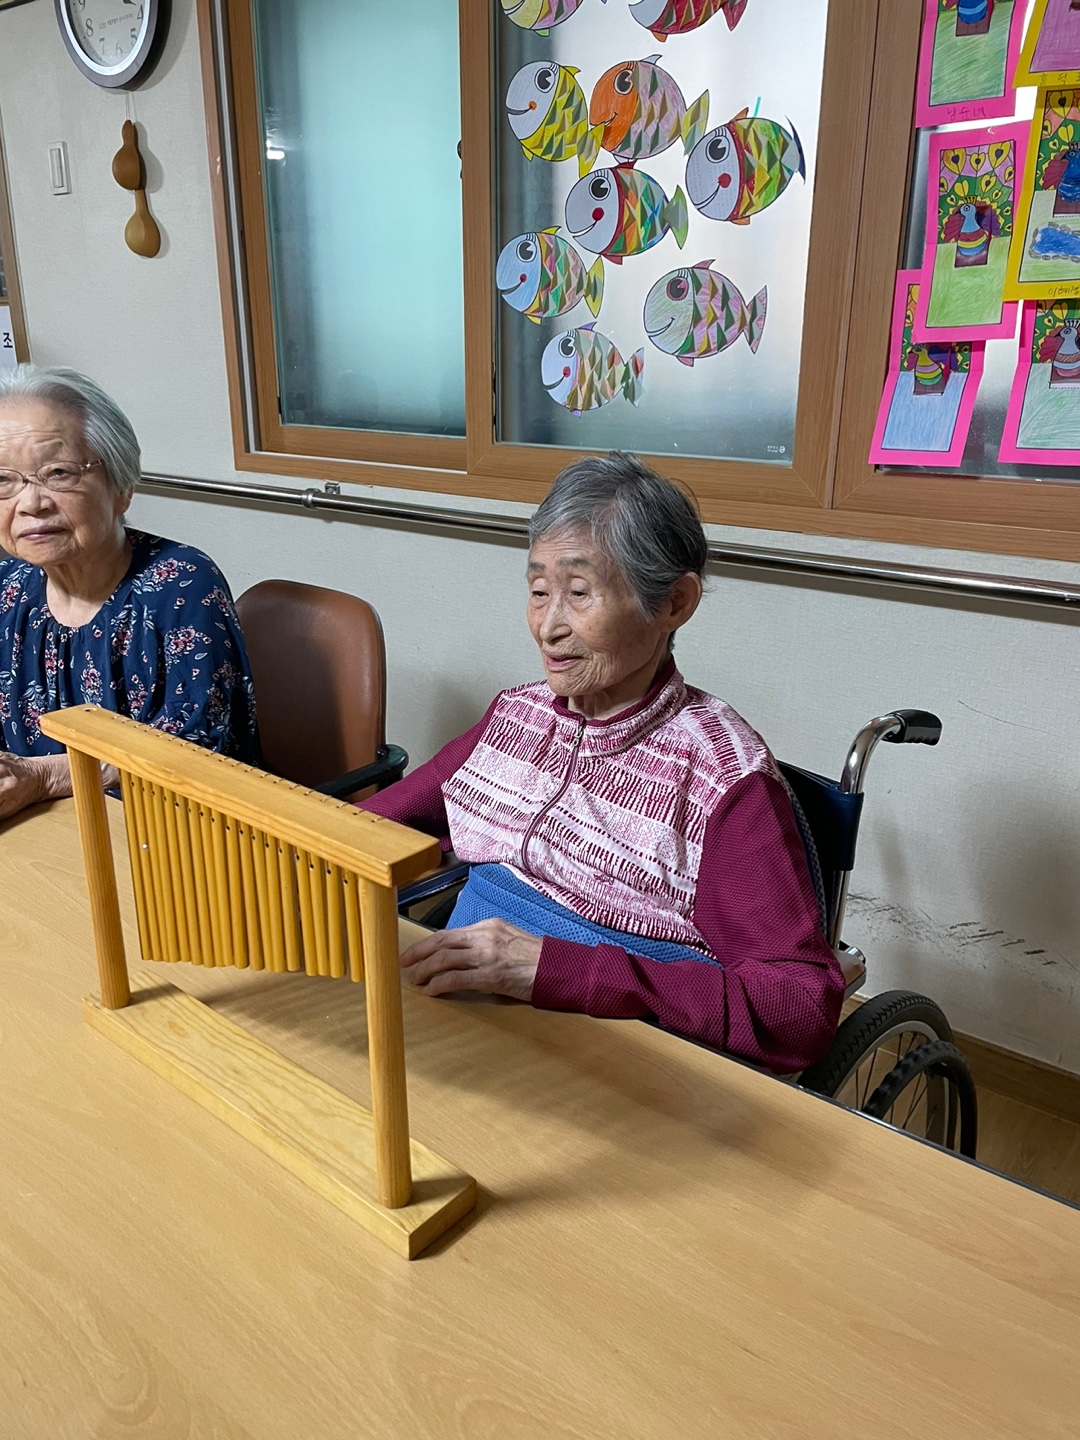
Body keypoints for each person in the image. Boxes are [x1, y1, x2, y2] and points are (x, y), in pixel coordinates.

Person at [363, 453, 844, 1073]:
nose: (548, 628)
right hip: (461, 1016)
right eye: (539, 592)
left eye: (579, 594)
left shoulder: (723, 778)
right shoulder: (517, 716)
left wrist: (554, 966)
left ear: (673, 603)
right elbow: (376, 824)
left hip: (613, 1062)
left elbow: (798, 1009)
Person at [0, 365, 259, 821]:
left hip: (177, 832)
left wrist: (41, 777)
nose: (31, 503)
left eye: (58, 473)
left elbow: (193, 752)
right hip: (44, 830)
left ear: (121, 487)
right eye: (4, 480)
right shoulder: (9, 585)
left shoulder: (182, 583)